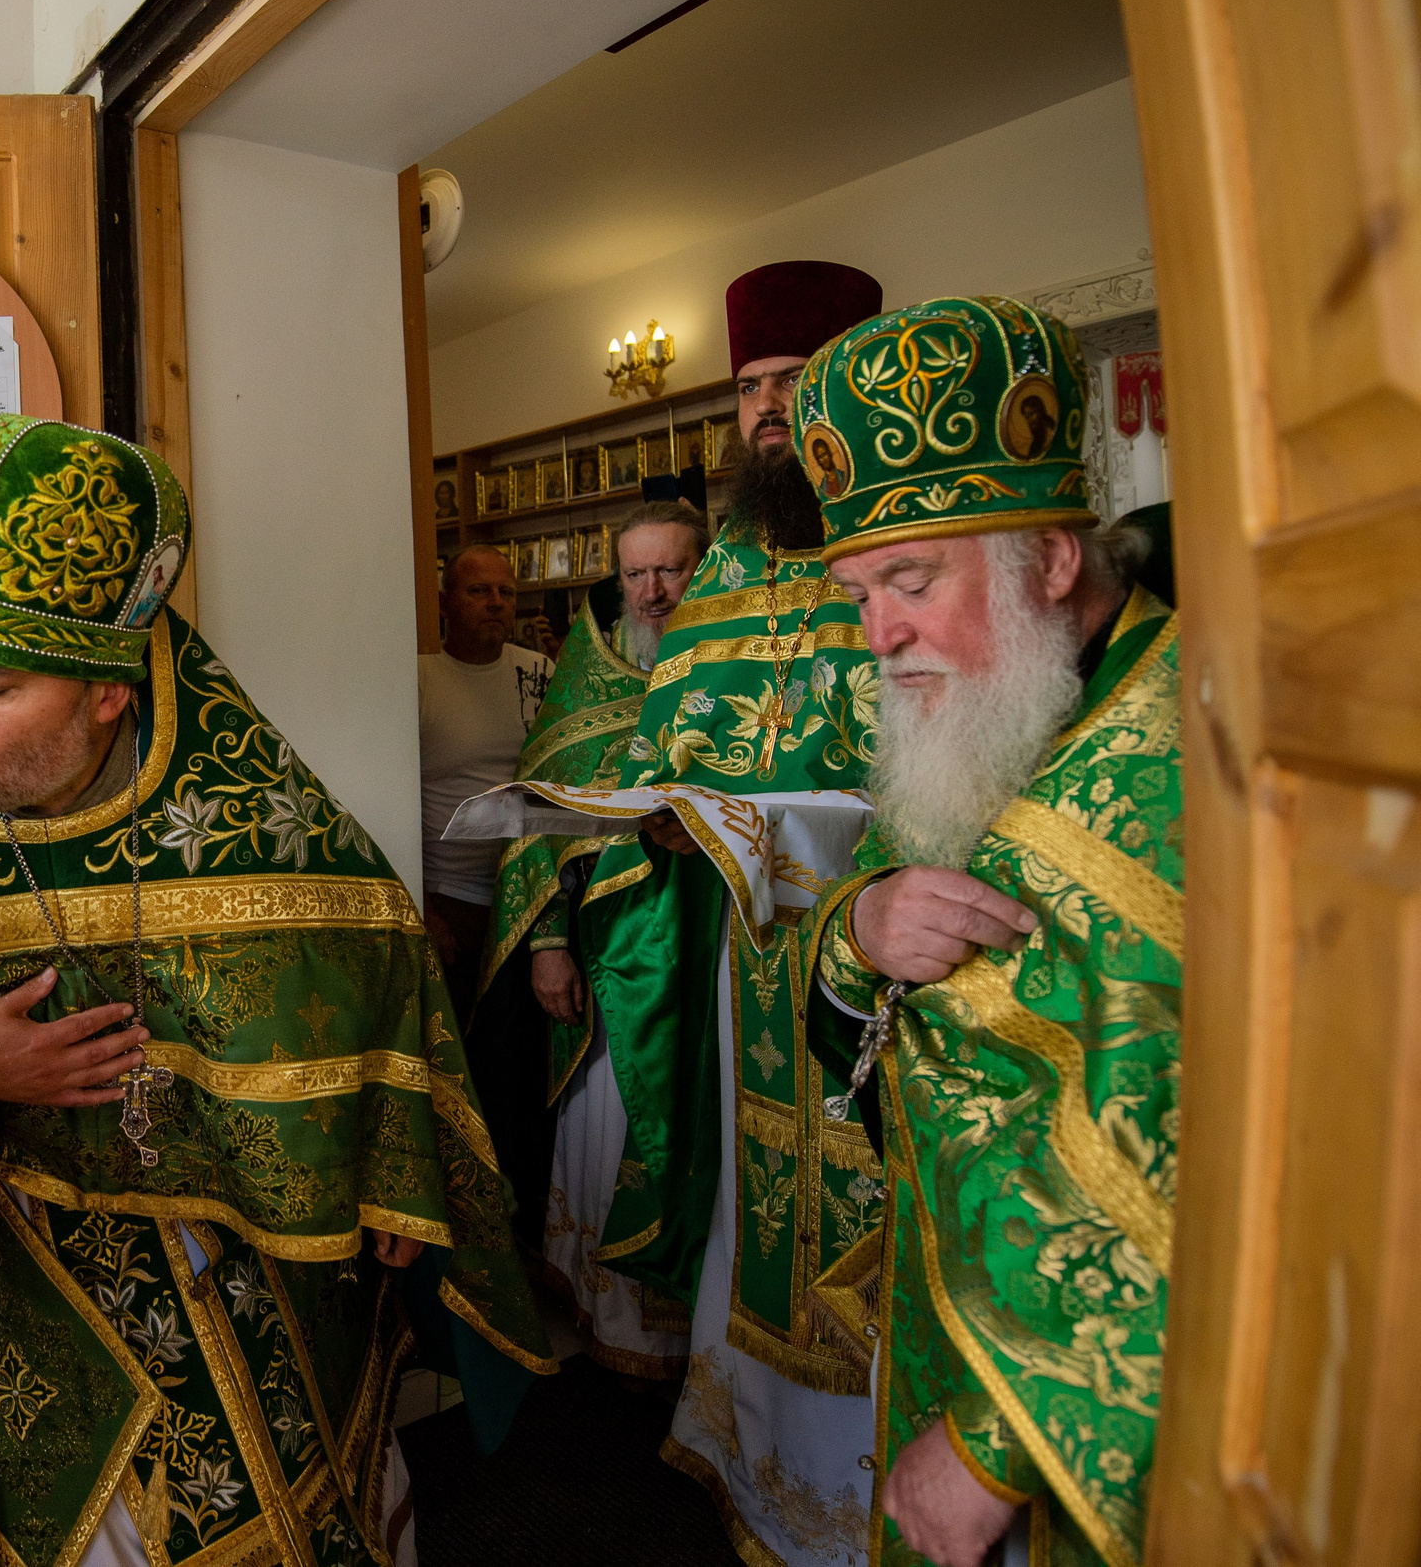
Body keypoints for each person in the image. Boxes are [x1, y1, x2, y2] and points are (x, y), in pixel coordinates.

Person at [0, 415, 554, 1567]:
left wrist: (385, 1165)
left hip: (241, 1259)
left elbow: (376, 960)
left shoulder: (255, 826)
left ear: (108, 695)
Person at [785, 298, 1177, 1567]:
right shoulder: (978, 706)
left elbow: (1260, 1160)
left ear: (1052, 562)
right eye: (859, 591)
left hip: (1096, 1430)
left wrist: (999, 1439)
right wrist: (860, 931)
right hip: (947, 1322)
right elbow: (877, 1007)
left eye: (909, 581)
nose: (878, 636)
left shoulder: (1203, 755)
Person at [579, 259, 886, 1562]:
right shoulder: (730, 564)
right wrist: (659, 809)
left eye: (792, 381)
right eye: (752, 386)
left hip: (882, 948)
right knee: (760, 1197)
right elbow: (675, 736)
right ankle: (761, 1455)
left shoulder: (891, 535)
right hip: (751, 950)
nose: (768, 410)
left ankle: (873, 1486)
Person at [466, 501, 707, 1375]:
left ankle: (696, 1330)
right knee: (610, 1122)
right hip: (610, 955)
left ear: (702, 571)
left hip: (714, 950)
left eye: (672, 571)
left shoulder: (737, 667)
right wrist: (548, 943)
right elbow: (538, 815)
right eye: (635, 574)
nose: (652, 592)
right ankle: (616, 1317)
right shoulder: (587, 675)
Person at [417, 544, 550, 1005]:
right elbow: (395, 800)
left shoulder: (538, 673)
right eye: (478, 590)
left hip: (530, 892)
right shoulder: (420, 678)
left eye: (506, 592)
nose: (496, 602)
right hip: (451, 900)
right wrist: (424, 910)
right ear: (444, 603)